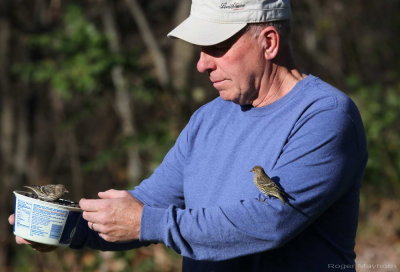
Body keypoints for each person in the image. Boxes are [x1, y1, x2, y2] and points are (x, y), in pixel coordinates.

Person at [9, 0, 368, 271]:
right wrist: (63, 228)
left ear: (269, 42)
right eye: (200, 49)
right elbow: (149, 205)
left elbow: (271, 220)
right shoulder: (209, 118)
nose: (202, 63)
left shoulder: (324, 116)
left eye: (216, 47)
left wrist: (145, 221)